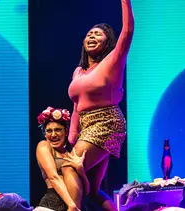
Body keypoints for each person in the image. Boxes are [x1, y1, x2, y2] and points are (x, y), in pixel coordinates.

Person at [64, 0, 134, 210]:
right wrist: (72, 133)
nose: (91, 36)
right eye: (88, 34)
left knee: (70, 168)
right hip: (87, 126)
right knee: (92, 189)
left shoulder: (113, 60)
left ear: (108, 42)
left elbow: (127, 30)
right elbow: (77, 105)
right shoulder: (79, 72)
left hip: (106, 121)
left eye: (97, 34)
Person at [35, 107, 90, 211]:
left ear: (66, 131)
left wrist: (81, 170)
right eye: (49, 131)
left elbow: (87, 191)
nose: (53, 135)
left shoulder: (72, 154)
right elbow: (54, 177)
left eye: (58, 130)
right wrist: (71, 205)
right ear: (45, 134)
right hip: (53, 205)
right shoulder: (44, 146)